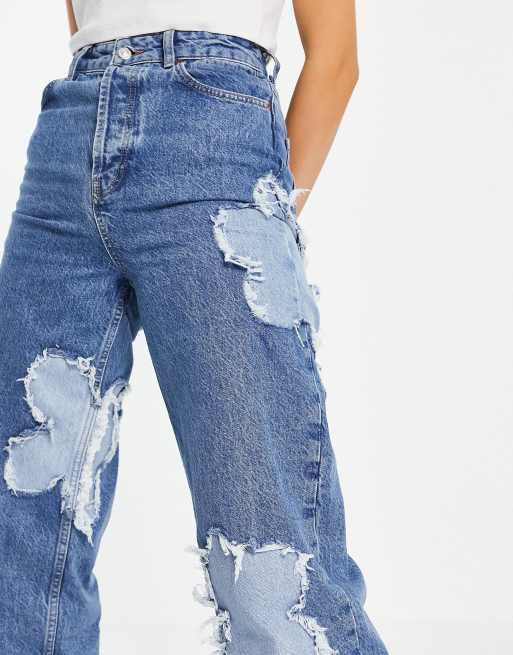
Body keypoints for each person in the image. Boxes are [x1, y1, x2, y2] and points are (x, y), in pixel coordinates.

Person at [0, 1, 389, 653]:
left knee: (262, 525)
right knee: (21, 504)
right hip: (68, 137)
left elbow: (336, 58)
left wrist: (266, 216)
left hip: (213, 129)